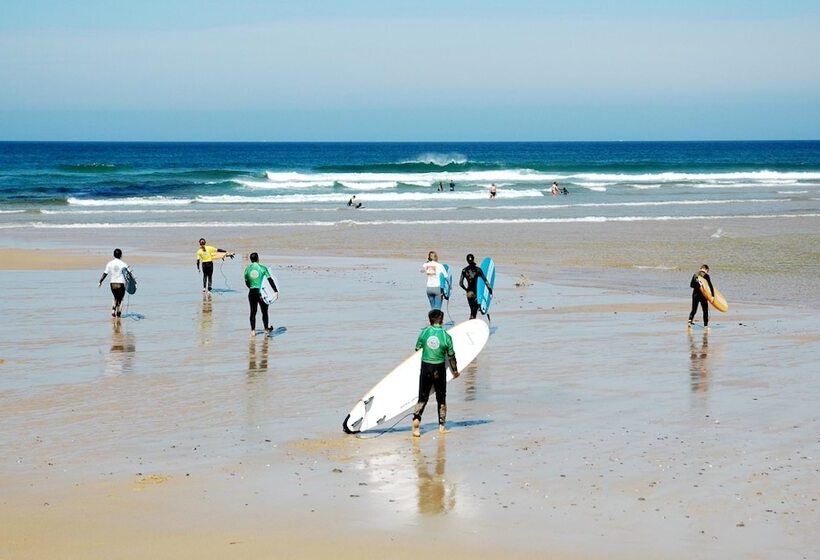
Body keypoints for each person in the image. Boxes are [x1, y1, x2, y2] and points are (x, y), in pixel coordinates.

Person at [412, 309, 459, 437]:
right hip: (439, 370)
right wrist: (455, 371)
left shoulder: (425, 332)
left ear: (430, 320)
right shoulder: (445, 336)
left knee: (423, 397)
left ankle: (416, 424)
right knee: (441, 397)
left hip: (426, 368)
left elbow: (417, 348)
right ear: (442, 320)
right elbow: (451, 356)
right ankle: (442, 426)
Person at [244, 252, 279, 336]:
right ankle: (266, 329)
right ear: (258, 258)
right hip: (261, 293)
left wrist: (251, 288)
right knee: (264, 311)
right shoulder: (263, 268)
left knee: (253, 312)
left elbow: (247, 282)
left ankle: (253, 331)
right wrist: (275, 291)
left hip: (251, 292)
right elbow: (270, 280)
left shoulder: (247, 269)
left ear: (250, 259)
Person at [459, 253, 492, 319]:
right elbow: (485, 280)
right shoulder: (478, 269)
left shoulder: (464, 270)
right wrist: (490, 289)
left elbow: (461, 284)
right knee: (474, 310)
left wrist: (466, 289)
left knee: (472, 309)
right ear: (473, 259)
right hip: (477, 292)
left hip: (469, 292)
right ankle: (472, 322)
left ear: (467, 260)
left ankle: (472, 321)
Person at [98, 248, 128, 318]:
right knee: (120, 299)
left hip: (112, 284)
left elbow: (105, 273)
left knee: (115, 297)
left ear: (113, 255)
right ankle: (118, 314)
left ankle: (113, 312)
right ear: (121, 255)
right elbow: (128, 275)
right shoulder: (123, 264)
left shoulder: (109, 263)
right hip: (121, 283)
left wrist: (100, 281)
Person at [688, 264, 714, 330]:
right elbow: (710, 286)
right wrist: (712, 296)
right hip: (703, 296)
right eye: (707, 271)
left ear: (700, 268)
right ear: (706, 270)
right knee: (705, 311)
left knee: (694, 309)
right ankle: (705, 326)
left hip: (695, 295)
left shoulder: (695, 274)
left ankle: (689, 322)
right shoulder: (706, 276)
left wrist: (698, 285)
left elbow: (691, 285)